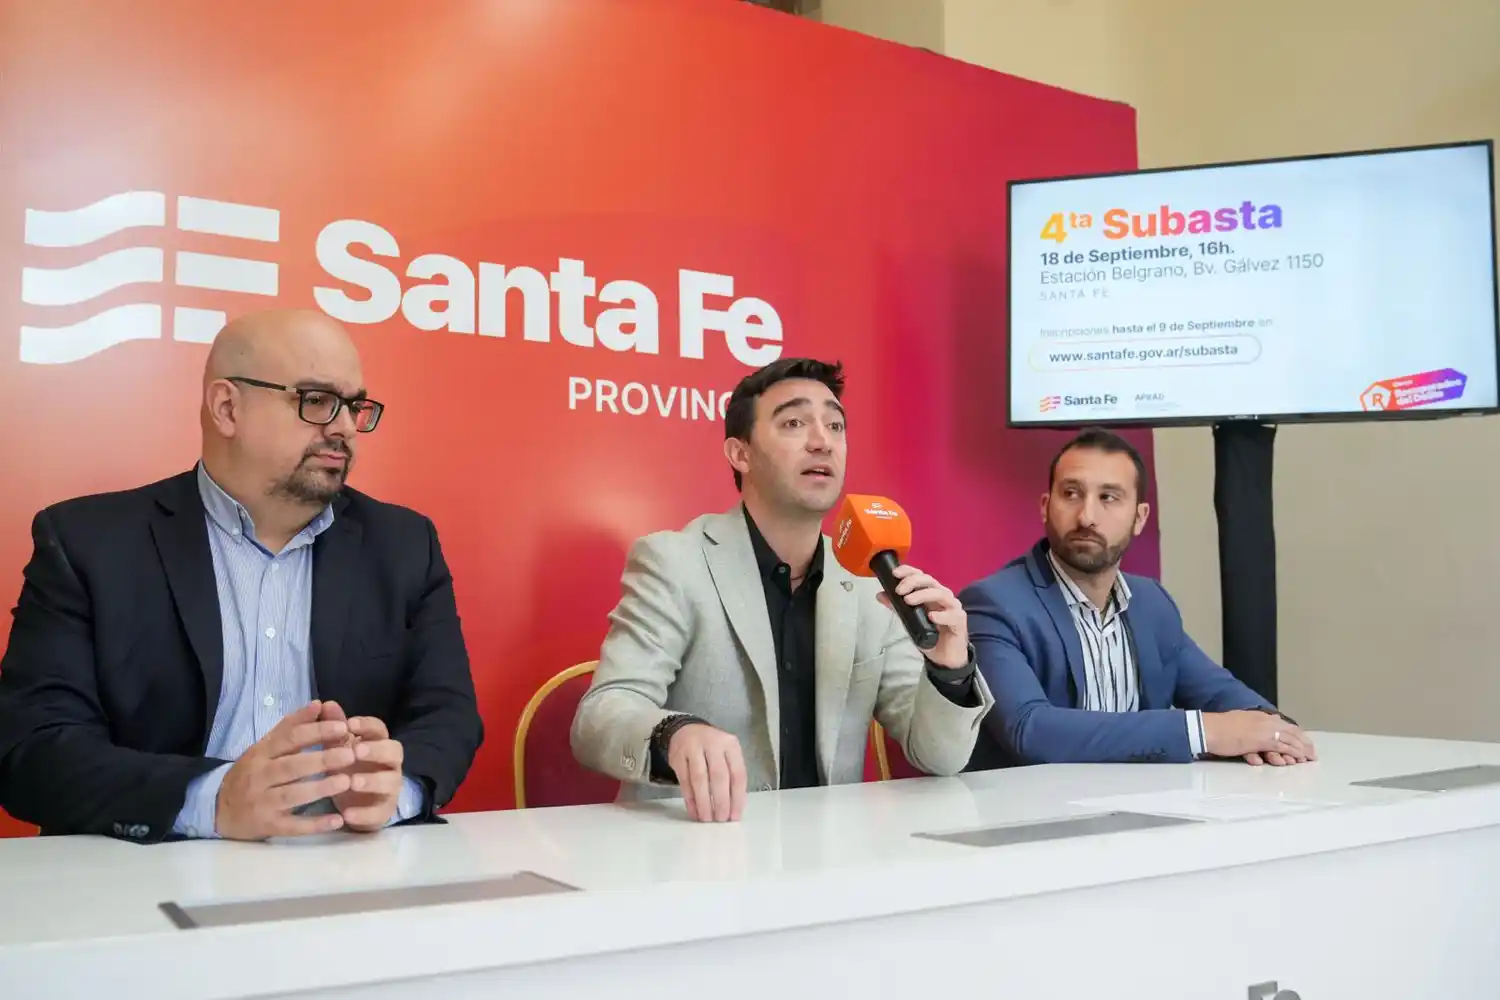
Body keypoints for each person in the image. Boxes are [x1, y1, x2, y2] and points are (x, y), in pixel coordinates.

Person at [0, 309, 483, 842]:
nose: (344, 427)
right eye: (316, 400)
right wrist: (212, 800)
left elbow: (449, 715)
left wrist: (396, 791)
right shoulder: (90, 542)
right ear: (227, 407)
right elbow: (30, 746)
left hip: (348, 861)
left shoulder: (404, 544)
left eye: (354, 406)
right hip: (149, 868)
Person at [571, 358, 994, 822]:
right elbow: (599, 716)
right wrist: (675, 733)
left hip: (825, 861)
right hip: (699, 853)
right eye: (794, 423)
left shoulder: (868, 579)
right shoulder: (676, 562)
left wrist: (950, 669)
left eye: (835, 426)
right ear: (740, 453)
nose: (822, 441)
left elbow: (940, 756)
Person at [960, 427, 1314, 769]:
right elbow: (1028, 729)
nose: (1087, 516)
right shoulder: (992, 604)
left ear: (1140, 517)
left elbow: (1222, 693)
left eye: (1108, 498)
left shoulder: (1150, 603)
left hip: (1144, 811)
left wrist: (1271, 732)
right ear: (1045, 506)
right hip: (1031, 817)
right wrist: (1205, 732)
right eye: (1071, 494)